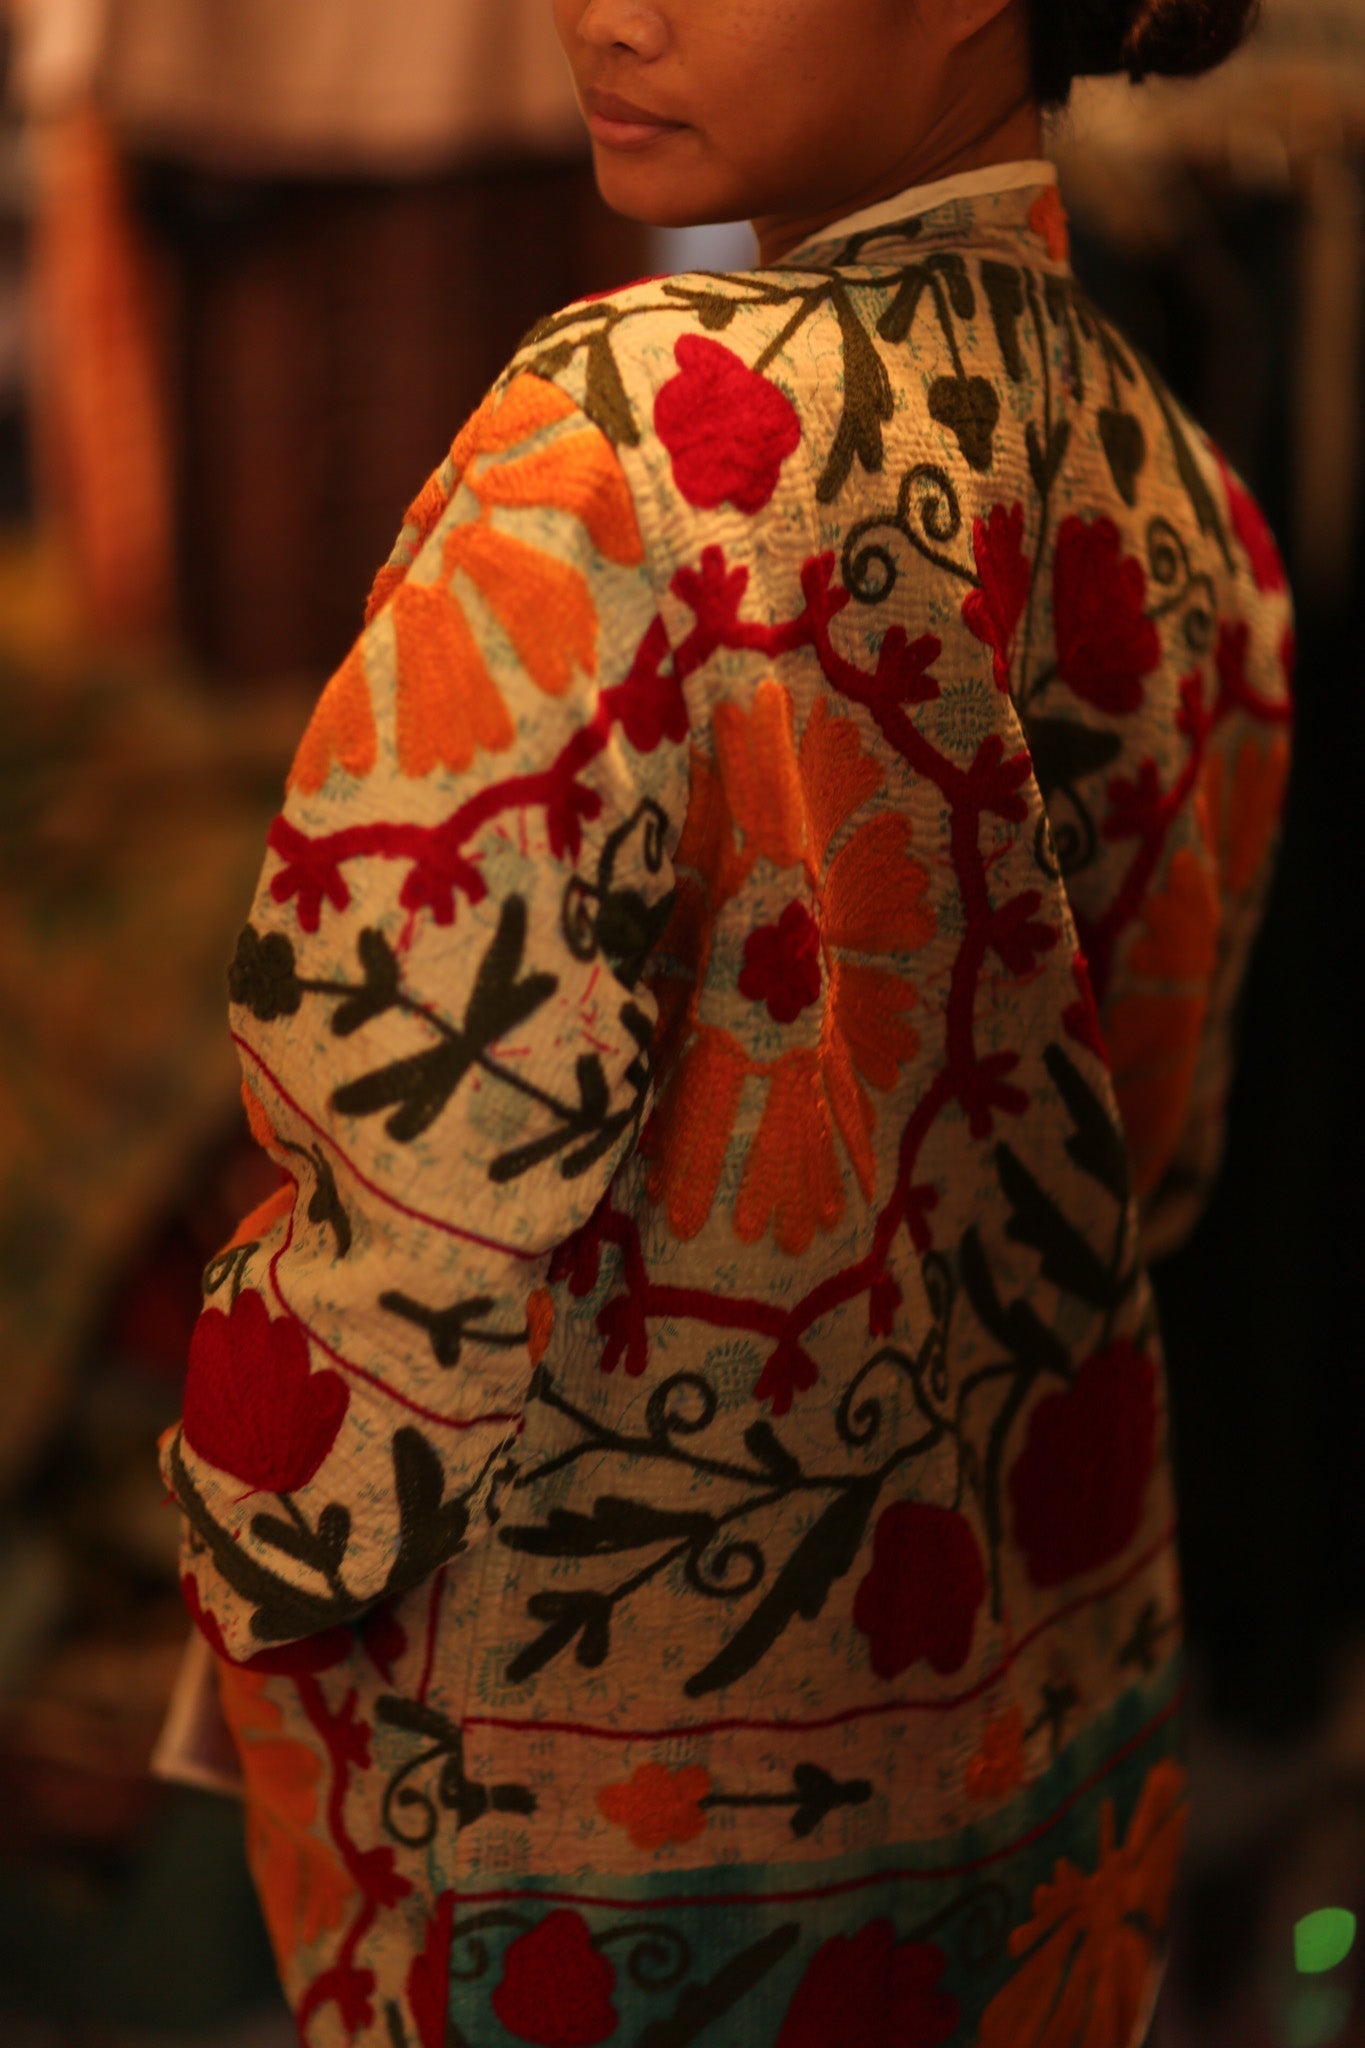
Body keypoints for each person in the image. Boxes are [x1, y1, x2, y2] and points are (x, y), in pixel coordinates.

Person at [160, 0, 1292, 2041]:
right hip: (1044, 1755)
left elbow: (404, 1196)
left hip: (588, 1818)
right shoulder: (1194, 497)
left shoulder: (627, 433)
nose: (602, 12)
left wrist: (254, 1547)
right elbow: (1167, 1144)